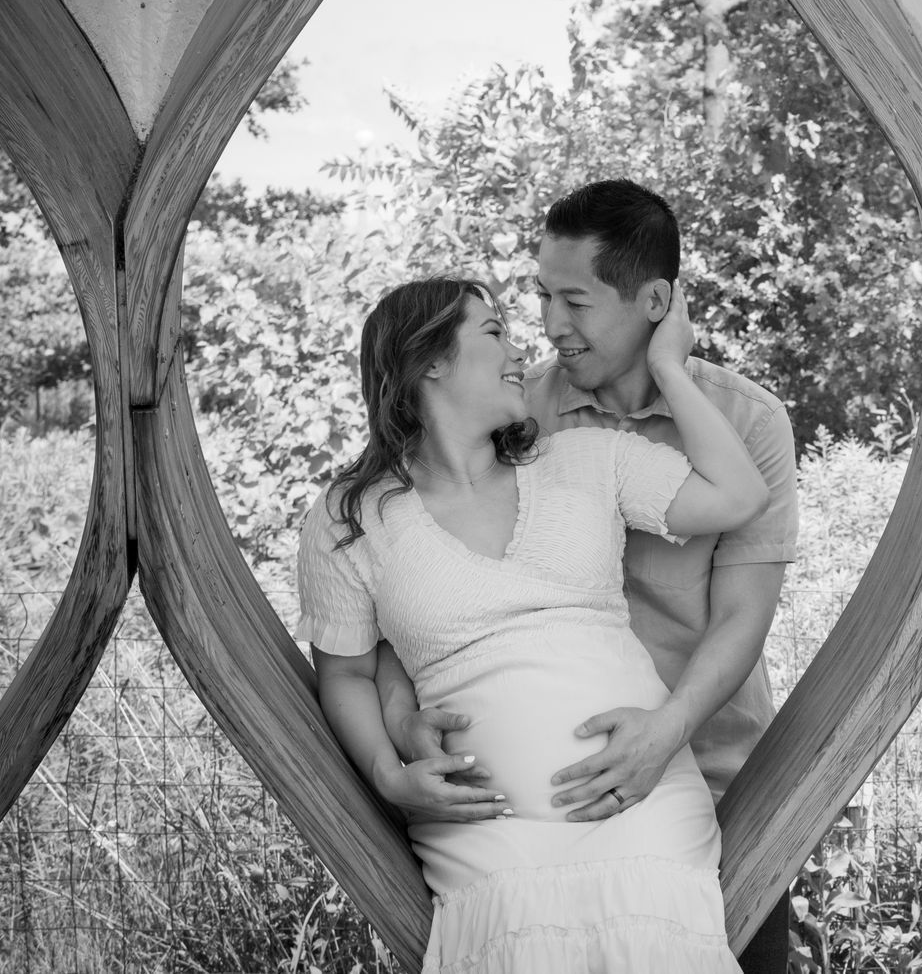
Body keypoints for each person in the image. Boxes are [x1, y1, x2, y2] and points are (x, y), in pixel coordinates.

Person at [376, 180, 801, 970]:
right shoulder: (514, 410)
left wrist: (664, 733)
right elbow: (407, 580)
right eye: (542, 297)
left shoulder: (747, 422)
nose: (550, 326)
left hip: (711, 779)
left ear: (655, 301)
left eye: (576, 301)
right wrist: (402, 725)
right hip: (533, 826)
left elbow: (744, 616)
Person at [296, 276, 767, 972]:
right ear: (429, 360)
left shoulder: (586, 459)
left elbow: (738, 495)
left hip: (638, 809)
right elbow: (345, 672)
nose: (523, 350)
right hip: (492, 838)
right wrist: (387, 775)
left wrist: (669, 364)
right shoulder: (349, 516)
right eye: (494, 333)